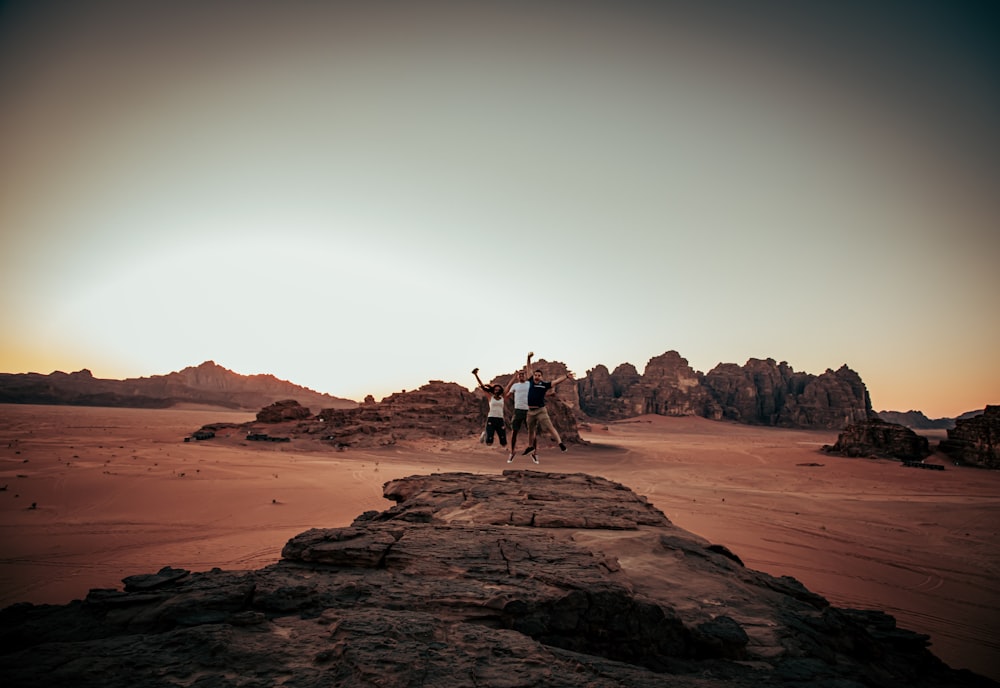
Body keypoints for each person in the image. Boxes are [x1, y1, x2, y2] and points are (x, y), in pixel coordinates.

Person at [521, 359, 574, 464]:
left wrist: (566, 377)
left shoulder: (544, 385)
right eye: (535, 375)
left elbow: (556, 381)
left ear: (541, 377)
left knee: (550, 427)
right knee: (531, 431)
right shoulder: (530, 381)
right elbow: (529, 369)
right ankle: (530, 447)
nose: (536, 376)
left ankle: (560, 444)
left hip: (541, 410)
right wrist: (528, 358)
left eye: (539, 375)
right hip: (530, 411)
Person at [504, 352, 534, 463]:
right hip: (518, 411)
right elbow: (507, 396)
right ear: (517, 377)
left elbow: (530, 369)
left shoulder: (529, 384)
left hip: (529, 411)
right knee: (514, 432)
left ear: (525, 376)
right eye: (520, 375)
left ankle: (534, 453)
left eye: (523, 374)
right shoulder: (515, 386)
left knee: (531, 432)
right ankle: (512, 452)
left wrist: (528, 359)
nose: (521, 376)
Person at [472, 368, 508, 448]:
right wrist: (476, 375)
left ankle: (487, 433)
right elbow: (482, 386)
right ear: (493, 390)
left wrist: (515, 377)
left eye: (498, 390)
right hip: (491, 418)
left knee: (503, 443)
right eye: (495, 389)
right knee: (489, 442)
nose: (497, 391)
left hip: (500, 419)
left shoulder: (503, 398)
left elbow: (508, 387)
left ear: (500, 391)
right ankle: (485, 434)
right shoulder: (490, 397)